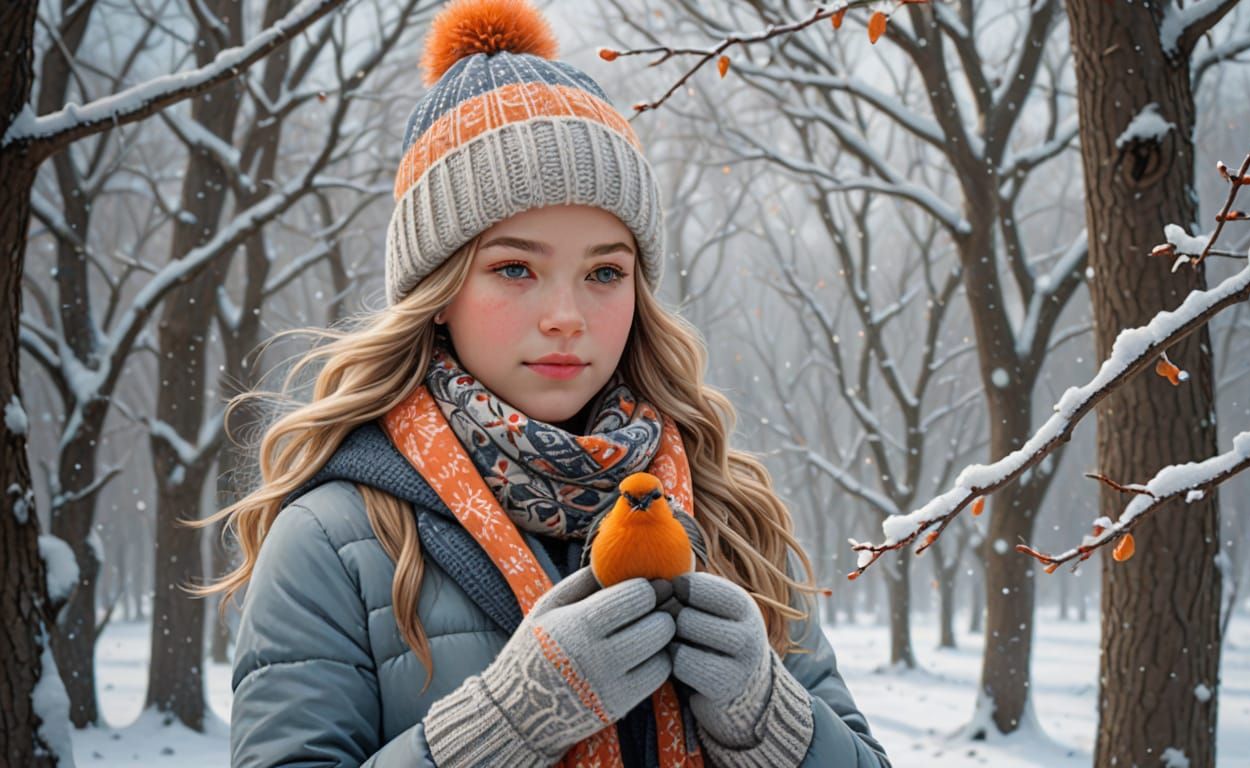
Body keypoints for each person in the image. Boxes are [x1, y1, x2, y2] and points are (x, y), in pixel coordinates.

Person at [204, 0, 890, 765]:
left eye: (604, 271)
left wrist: (770, 721)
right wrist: (507, 723)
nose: (566, 315)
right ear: (439, 295)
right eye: (515, 268)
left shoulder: (729, 510)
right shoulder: (335, 540)